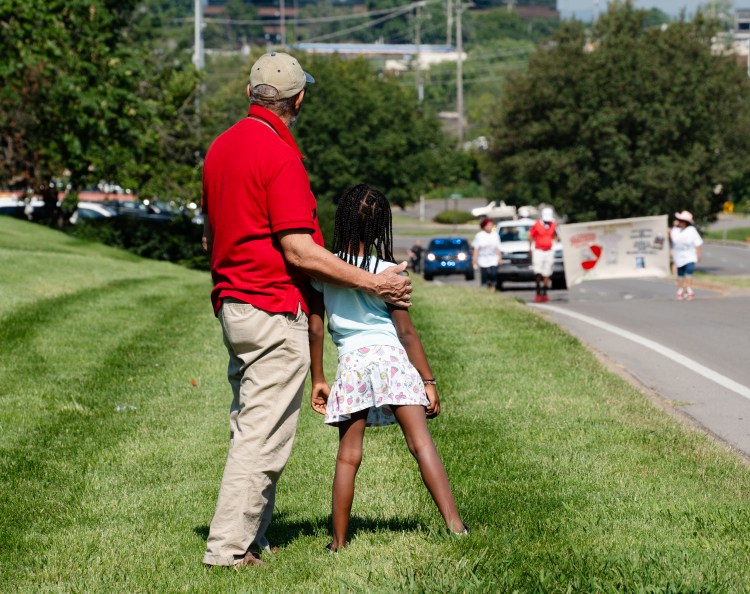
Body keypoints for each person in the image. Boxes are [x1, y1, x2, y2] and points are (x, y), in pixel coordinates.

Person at [200, 52, 413, 569]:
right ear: (298, 100)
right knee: (263, 434)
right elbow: (298, 249)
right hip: (271, 306)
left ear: (251, 94)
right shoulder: (280, 156)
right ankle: (228, 549)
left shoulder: (220, 147)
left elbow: (210, 234)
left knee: (250, 424)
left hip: (234, 304)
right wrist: (376, 283)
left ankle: (251, 538)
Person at [308, 184, 468, 551]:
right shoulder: (388, 272)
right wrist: (428, 380)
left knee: (348, 456)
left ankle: (338, 542)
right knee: (421, 443)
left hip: (352, 363)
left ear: (341, 221)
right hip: (392, 360)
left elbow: (315, 328)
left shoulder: (324, 270)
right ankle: (456, 526)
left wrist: (318, 377)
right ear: (382, 228)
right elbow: (407, 333)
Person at [670, 210, 703, 300]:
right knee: (680, 273)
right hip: (678, 256)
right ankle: (680, 289)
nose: (680, 222)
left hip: (689, 255)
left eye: (681, 221)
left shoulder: (691, 230)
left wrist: (699, 253)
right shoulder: (675, 230)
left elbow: (697, 242)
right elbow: (672, 240)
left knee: (689, 271)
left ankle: (689, 288)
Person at [529, 207, 558, 303]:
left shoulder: (553, 224)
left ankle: (544, 292)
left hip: (549, 251)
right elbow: (531, 236)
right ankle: (538, 291)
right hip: (538, 250)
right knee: (538, 271)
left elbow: (555, 235)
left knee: (547, 272)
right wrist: (530, 248)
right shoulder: (536, 224)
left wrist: (556, 240)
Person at [471, 218, 502, 288]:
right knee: (485, 274)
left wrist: (500, 258)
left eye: (491, 225)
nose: (490, 227)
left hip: (493, 258)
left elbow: (498, 247)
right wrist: (474, 260)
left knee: (493, 274)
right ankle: (485, 286)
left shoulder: (495, 235)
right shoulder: (479, 235)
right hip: (483, 258)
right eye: (488, 225)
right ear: (484, 226)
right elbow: (476, 248)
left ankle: (493, 286)